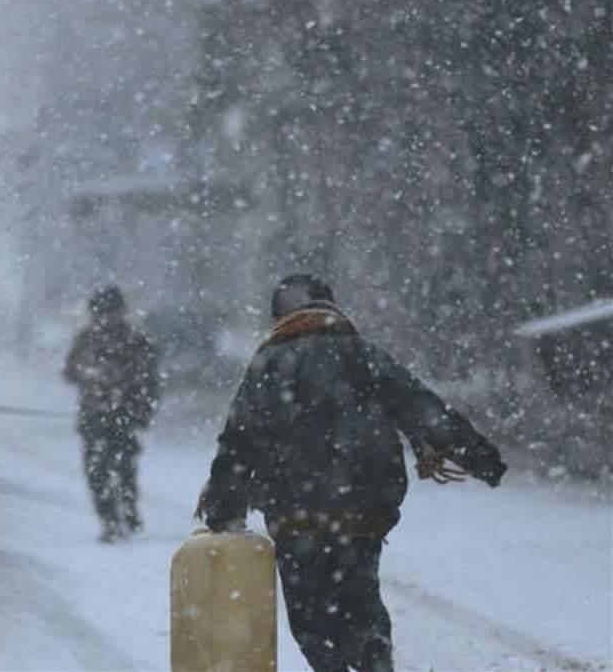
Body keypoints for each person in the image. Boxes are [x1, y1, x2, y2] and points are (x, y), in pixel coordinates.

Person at [194, 273, 507, 672]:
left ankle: (336, 662)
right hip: (364, 503)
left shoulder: (269, 361)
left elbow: (240, 439)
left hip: (296, 508)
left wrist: (224, 503)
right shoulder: (363, 353)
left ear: (278, 318)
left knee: (311, 613)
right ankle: (374, 652)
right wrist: (481, 457)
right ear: (332, 308)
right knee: (359, 592)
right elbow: (421, 405)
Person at [64, 285, 161, 543]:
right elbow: (70, 372)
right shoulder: (86, 340)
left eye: (110, 312)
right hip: (95, 419)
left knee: (121, 469)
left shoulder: (134, 341)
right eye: (101, 312)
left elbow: (149, 381)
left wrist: (141, 409)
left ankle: (126, 515)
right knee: (99, 471)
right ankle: (111, 520)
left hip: (122, 419)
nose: (105, 318)